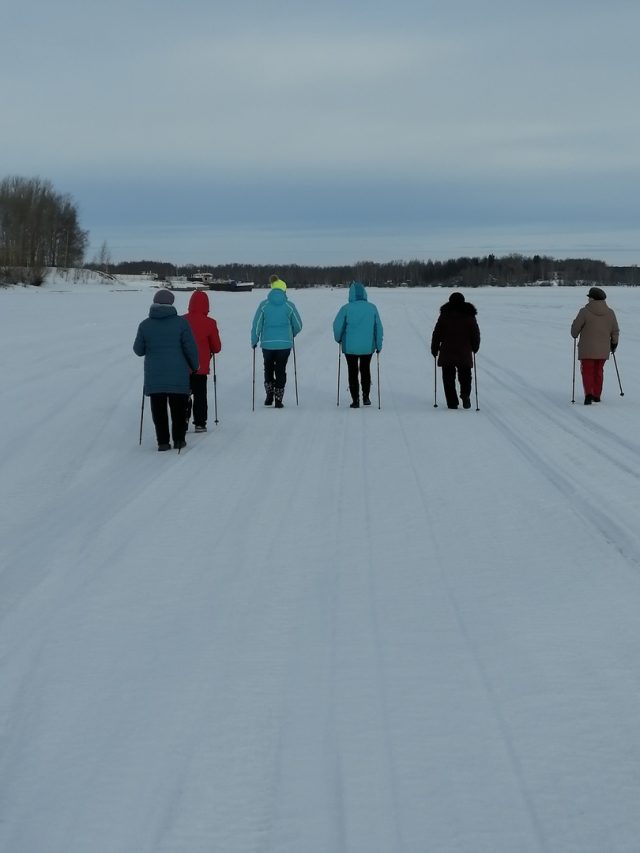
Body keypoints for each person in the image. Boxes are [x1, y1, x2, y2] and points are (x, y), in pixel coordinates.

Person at [133, 289, 199, 450]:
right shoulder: (181, 323)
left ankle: (163, 442)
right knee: (178, 409)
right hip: (178, 375)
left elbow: (138, 350)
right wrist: (194, 365)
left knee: (159, 411)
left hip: (155, 377)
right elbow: (190, 348)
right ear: (171, 303)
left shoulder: (145, 325)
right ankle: (179, 440)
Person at [251, 276, 302, 408]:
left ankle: (269, 396)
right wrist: (291, 334)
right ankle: (278, 399)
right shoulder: (289, 306)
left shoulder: (264, 305)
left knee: (268, 367)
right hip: (284, 344)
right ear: (284, 290)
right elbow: (298, 325)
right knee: (281, 369)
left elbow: (257, 324)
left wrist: (254, 340)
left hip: (267, 344)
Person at [332, 281, 383, 408]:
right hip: (367, 347)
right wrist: (378, 345)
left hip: (350, 347)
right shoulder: (372, 308)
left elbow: (337, 326)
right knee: (365, 369)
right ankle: (366, 396)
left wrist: (338, 339)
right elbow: (378, 328)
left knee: (352, 371)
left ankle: (355, 400)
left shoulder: (346, 308)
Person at [430, 291, 480, 409]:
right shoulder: (469, 316)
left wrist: (434, 348)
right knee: (465, 375)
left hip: (447, 351)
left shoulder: (444, 315)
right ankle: (465, 394)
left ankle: (452, 402)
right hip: (464, 351)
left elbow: (437, 333)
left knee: (448, 377)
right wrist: (475, 346)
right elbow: (475, 333)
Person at [571, 286, 619, 404]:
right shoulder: (610, 313)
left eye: (589, 297)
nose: (588, 299)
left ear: (593, 298)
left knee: (587, 371)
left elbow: (574, 332)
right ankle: (597, 395)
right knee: (599, 371)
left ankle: (589, 394)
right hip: (603, 349)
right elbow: (615, 331)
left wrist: (574, 328)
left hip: (587, 349)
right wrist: (614, 344)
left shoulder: (584, 311)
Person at [183, 289, 222, 431]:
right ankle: (200, 423)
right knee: (200, 395)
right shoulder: (210, 323)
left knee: (183, 394)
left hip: (183, 366)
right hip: (200, 367)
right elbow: (216, 347)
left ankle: (182, 420)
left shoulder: (181, 321)